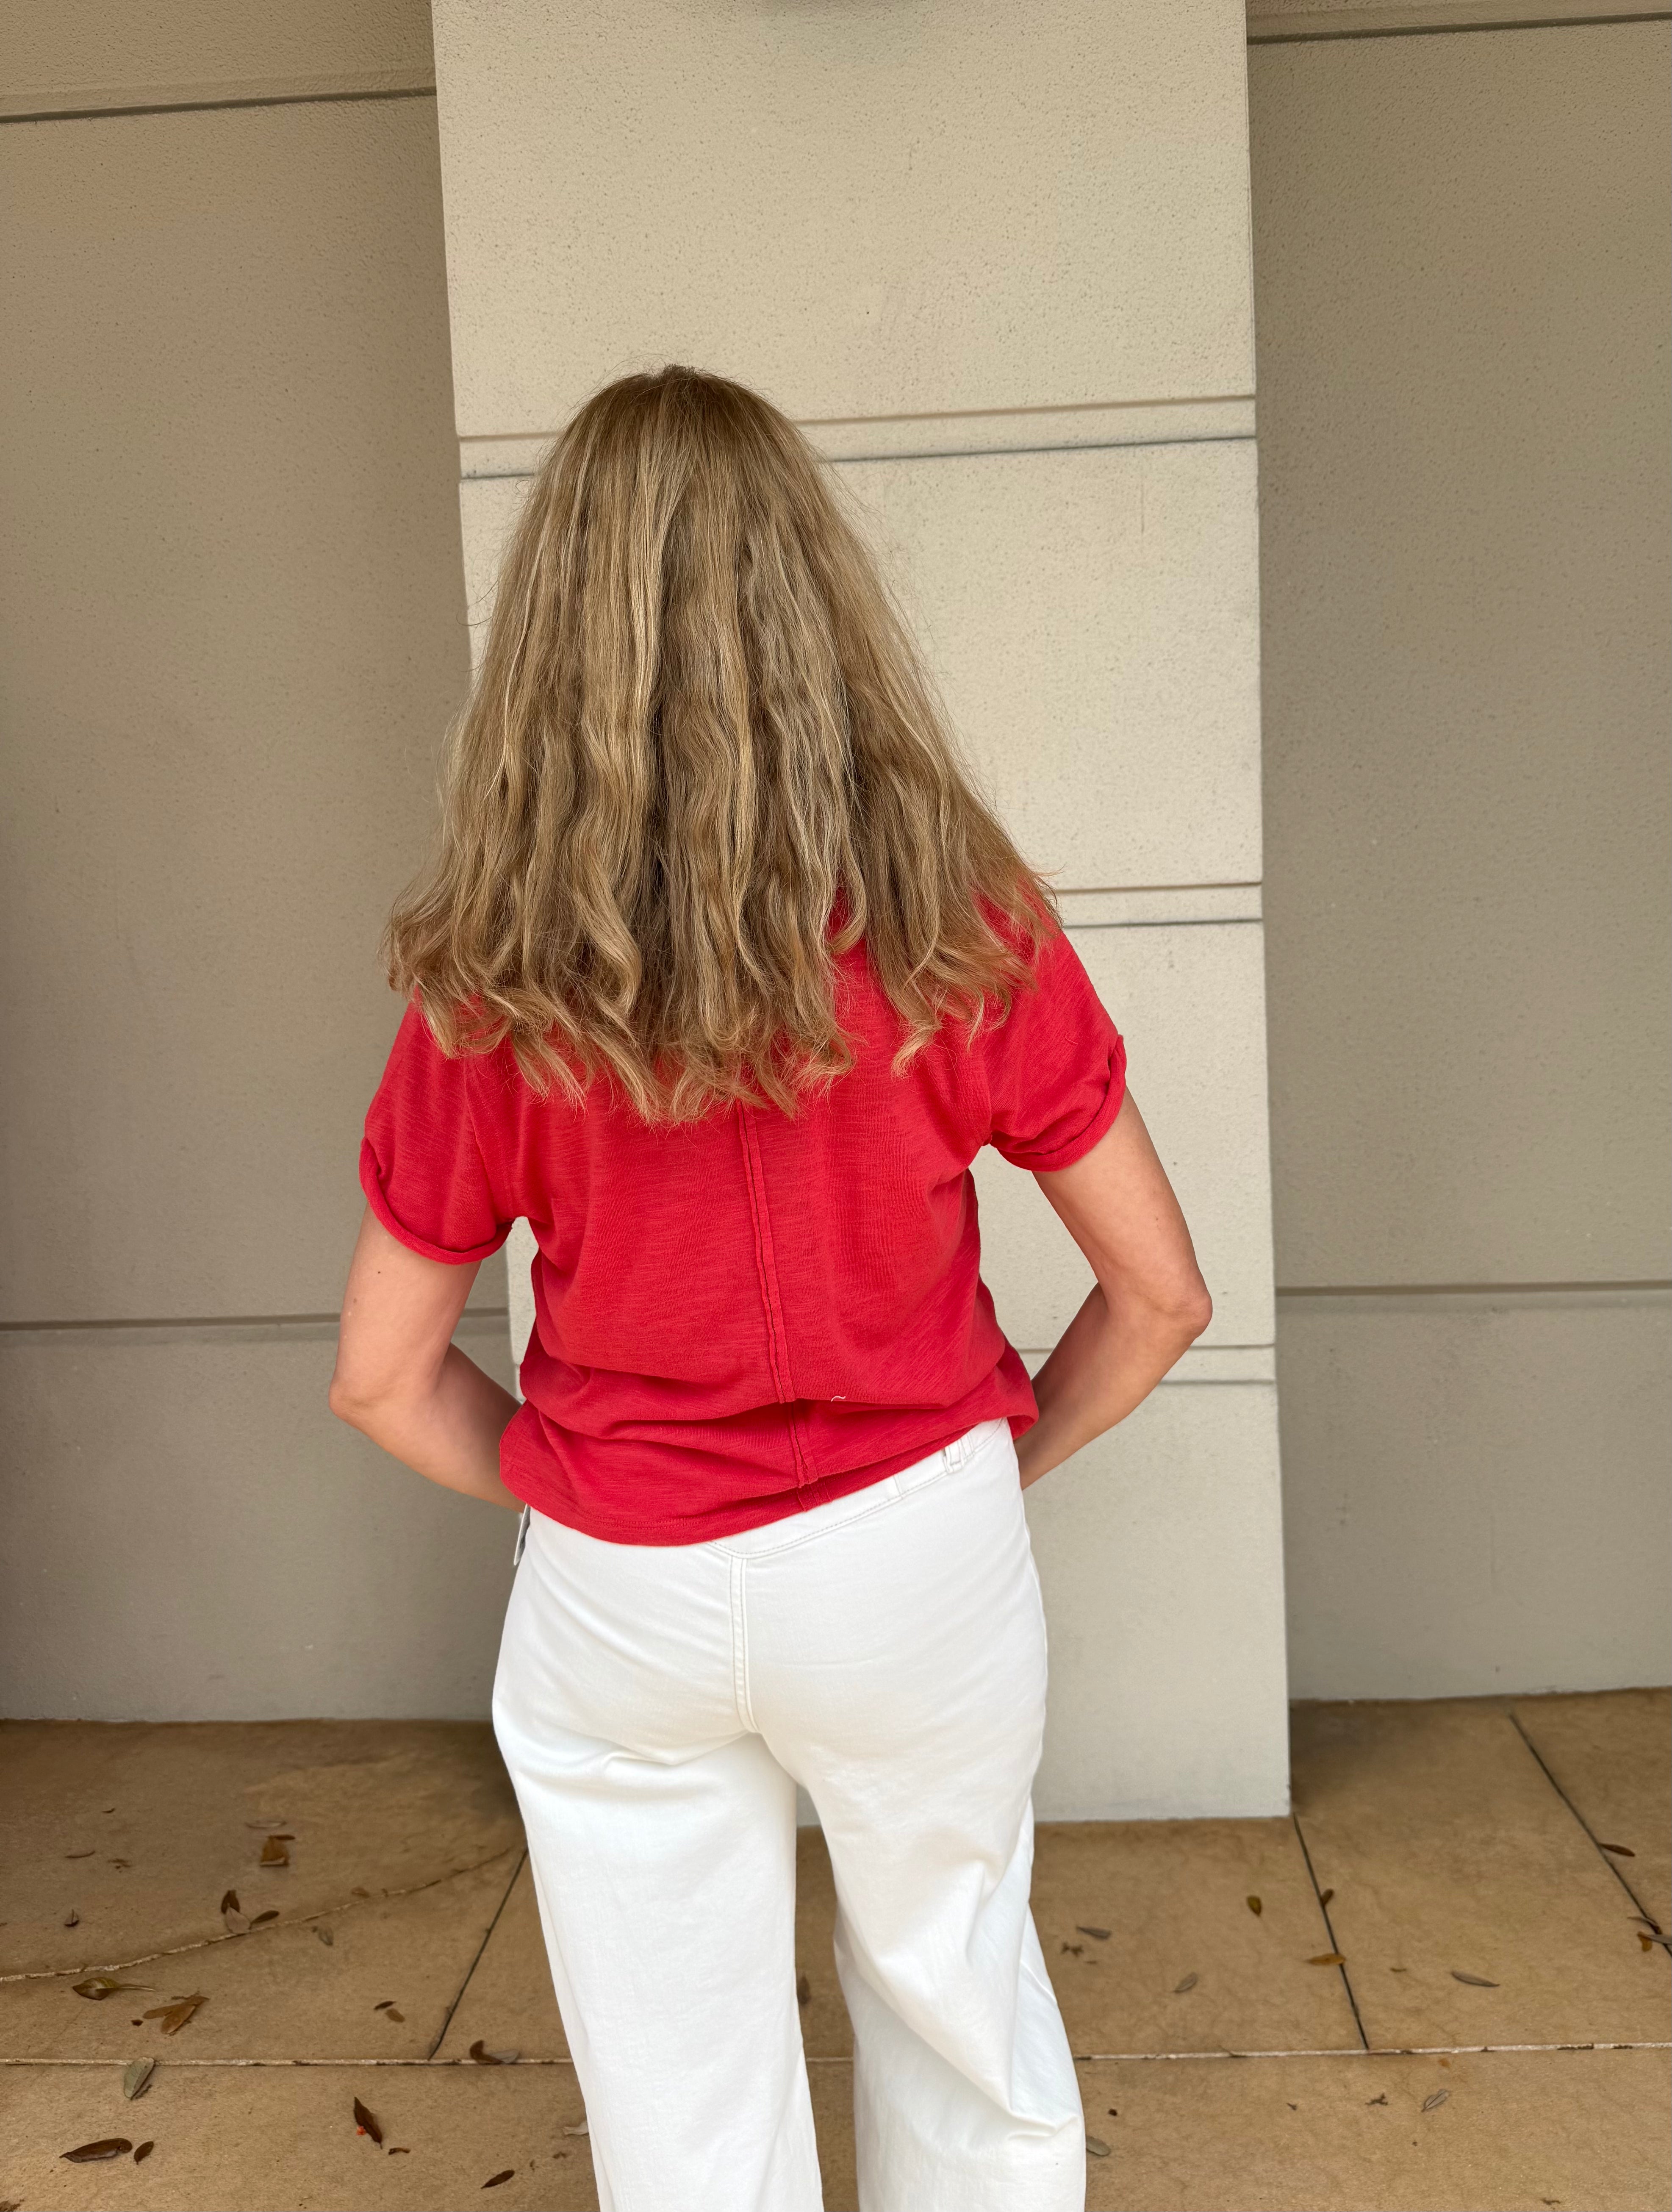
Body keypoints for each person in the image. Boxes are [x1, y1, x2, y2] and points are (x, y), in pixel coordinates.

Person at [329, 364, 1212, 2212]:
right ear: (821, 607)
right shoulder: (962, 925)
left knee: (677, 2090)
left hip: (622, 1585)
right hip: (914, 1555)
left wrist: (587, 1495)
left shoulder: (490, 988)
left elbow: (384, 1379)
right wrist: (985, 1465)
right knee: (960, 2013)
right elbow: (1158, 1293)